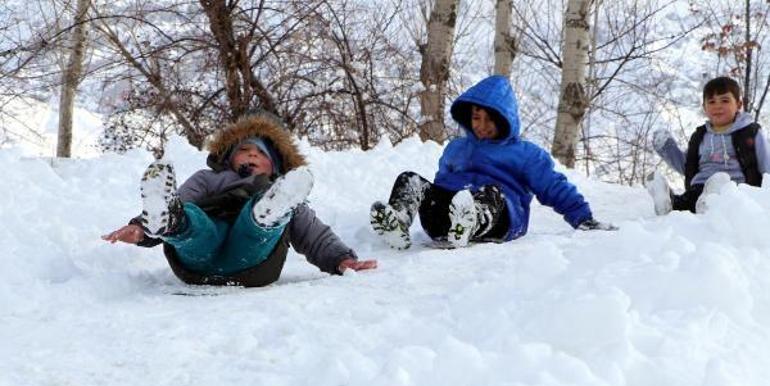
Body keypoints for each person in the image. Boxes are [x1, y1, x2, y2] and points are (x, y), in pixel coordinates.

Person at [103, 111, 377, 287]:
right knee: (194, 221)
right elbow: (180, 201)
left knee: (258, 221)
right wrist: (142, 229)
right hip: (198, 260)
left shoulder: (286, 193)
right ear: (229, 156)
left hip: (253, 264)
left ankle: (267, 215)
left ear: (277, 165)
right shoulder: (207, 179)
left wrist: (341, 259)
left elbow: (314, 235)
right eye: (245, 150)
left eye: (262, 154)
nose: (252, 156)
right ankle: (174, 224)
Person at [369, 75, 614, 250]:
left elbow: (553, 186)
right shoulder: (457, 148)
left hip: (500, 219)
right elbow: (441, 184)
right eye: (476, 118)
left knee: (491, 193)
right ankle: (398, 222)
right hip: (445, 219)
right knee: (410, 179)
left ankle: (470, 220)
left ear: (505, 120)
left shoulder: (525, 154)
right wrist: (434, 201)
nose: (481, 126)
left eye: (490, 120)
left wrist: (582, 217)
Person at [647, 76, 769, 215]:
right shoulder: (700, 136)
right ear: (704, 107)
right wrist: (667, 148)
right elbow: (686, 167)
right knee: (687, 201)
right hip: (699, 188)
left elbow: (766, 164)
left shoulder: (751, 133)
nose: (717, 106)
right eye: (711, 102)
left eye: (725, 100)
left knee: (721, 186)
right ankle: (667, 201)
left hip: (737, 190)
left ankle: (709, 204)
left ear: (739, 104)